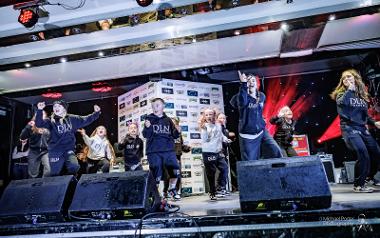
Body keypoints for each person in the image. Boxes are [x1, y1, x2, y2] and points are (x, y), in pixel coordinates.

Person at [331, 69, 380, 193]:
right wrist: (349, 90)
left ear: (355, 78)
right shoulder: (341, 94)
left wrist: (374, 123)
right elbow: (342, 103)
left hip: (362, 128)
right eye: (344, 79)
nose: (347, 79)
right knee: (363, 153)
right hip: (349, 128)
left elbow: (365, 114)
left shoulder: (361, 96)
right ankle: (359, 185)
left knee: (376, 152)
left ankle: (369, 177)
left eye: (349, 77)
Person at [35, 100, 101, 176]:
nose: (56, 108)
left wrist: (96, 113)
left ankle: (69, 180)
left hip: (68, 149)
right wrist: (39, 110)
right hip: (55, 151)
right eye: (55, 106)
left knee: (74, 166)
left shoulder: (72, 119)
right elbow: (39, 124)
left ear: (64, 108)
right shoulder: (50, 121)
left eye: (59, 106)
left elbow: (85, 120)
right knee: (53, 173)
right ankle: (55, 185)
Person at [230, 71, 283, 161]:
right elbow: (241, 102)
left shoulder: (261, 96)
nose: (251, 83)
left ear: (256, 83)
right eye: (249, 81)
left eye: (253, 81)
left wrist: (260, 120)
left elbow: (258, 110)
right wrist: (243, 84)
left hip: (262, 131)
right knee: (250, 161)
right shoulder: (243, 97)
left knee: (275, 151)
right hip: (248, 135)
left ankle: (278, 173)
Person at [142, 98, 181, 200]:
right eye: (153, 105)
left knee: (175, 170)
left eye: (158, 105)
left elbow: (175, 136)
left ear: (163, 106)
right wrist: (148, 127)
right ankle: (155, 194)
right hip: (154, 151)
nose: (155, 107)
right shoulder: (148, 118)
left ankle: (172, 189)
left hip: (168, 150)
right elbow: (146, 135)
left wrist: (178, 131)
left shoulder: (168, 120)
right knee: (156, 173)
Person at [200, 108, 230, 200]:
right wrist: (209, 134)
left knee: (224, 168)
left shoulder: (218, 125)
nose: (209, 116)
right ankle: (212, 192)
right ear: (204, 116)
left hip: (218, 151)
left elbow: (221, 135)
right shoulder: (204, 126)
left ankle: (220, 187)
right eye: (207, 115)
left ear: (214, 115)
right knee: (211, 173)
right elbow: (205, 140)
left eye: (210, 114)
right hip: (208, 152)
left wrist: (225, 139)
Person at [163, 117, 191, 198]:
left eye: (175, 123)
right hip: (169, 157)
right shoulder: (165, 133)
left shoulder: (178, 135)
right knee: (168, 176)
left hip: (177, 157)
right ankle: (166, 192)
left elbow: (181, 146)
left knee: (177, 175)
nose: (173, 124)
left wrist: (187, 148)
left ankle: (175, 191)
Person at [20, 112, 51, 178]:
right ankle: (33, 183)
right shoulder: (31, 126)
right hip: (34, 151)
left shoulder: (49, 124)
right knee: (32, 172)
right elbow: (22, 137)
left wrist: (41, 130)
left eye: (42, 114)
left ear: (45, 116)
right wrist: (28, 126)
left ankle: (45, 182)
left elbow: (49, 134)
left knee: (49, 168)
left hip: (46, 151)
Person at [216, 113, 235, 194]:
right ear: (217, 119)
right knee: (222, 169)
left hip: (225, 152)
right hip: (217, 152)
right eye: (220, 118)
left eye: (224, 118)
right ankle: (219, 188)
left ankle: (222, 187)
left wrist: (228, 141)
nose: (222, 119)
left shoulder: (225, 130)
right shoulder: (216, 128)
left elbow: (225, 141)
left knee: (225, 170)